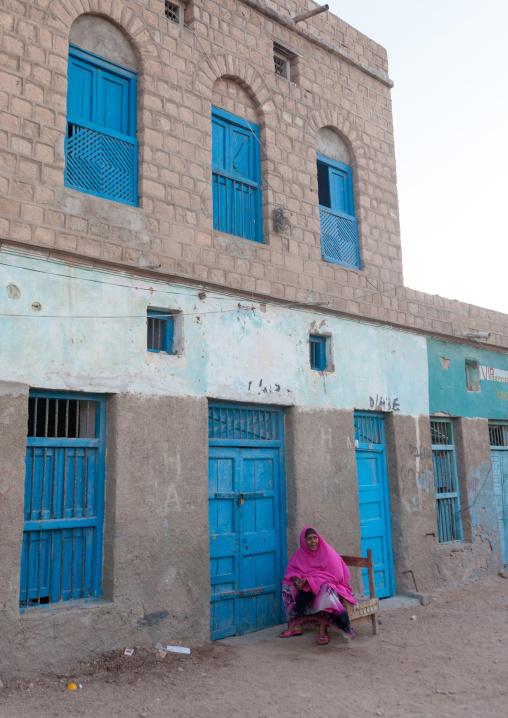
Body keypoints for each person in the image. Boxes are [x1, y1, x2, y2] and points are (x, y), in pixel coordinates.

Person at [279, 526, 356, 645]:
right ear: (304, 541)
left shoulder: (327, 553)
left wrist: (309, 580)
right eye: (309, 539)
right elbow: (292, 571)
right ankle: (295, 625)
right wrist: (296, 580)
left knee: (325, 591)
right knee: (287, 587)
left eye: (315, 538)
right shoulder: (300, 554)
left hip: (333, 587)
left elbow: (335, 577)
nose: (313, 541)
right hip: (309, 585)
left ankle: (323, 630)